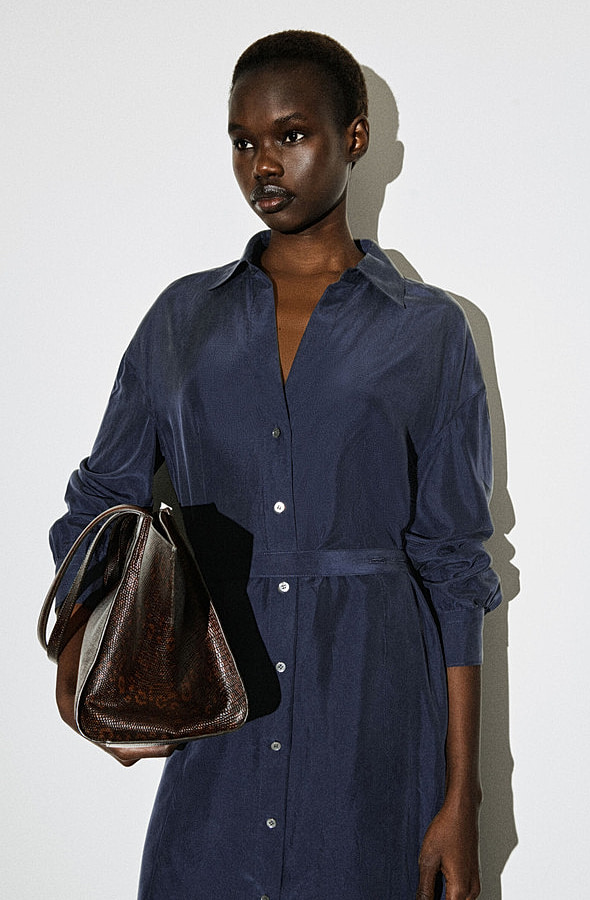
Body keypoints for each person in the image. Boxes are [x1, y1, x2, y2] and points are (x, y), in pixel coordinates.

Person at [49, 30, 501, 900]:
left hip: (371, 732)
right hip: (218, 723)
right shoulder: (181, 319)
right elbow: (99, 502)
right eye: (243, 141)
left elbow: (454, 566)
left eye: (290, 135)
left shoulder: (428, 332)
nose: (263, 164)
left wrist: (461, 797)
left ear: (354, 138)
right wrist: (81, 657)